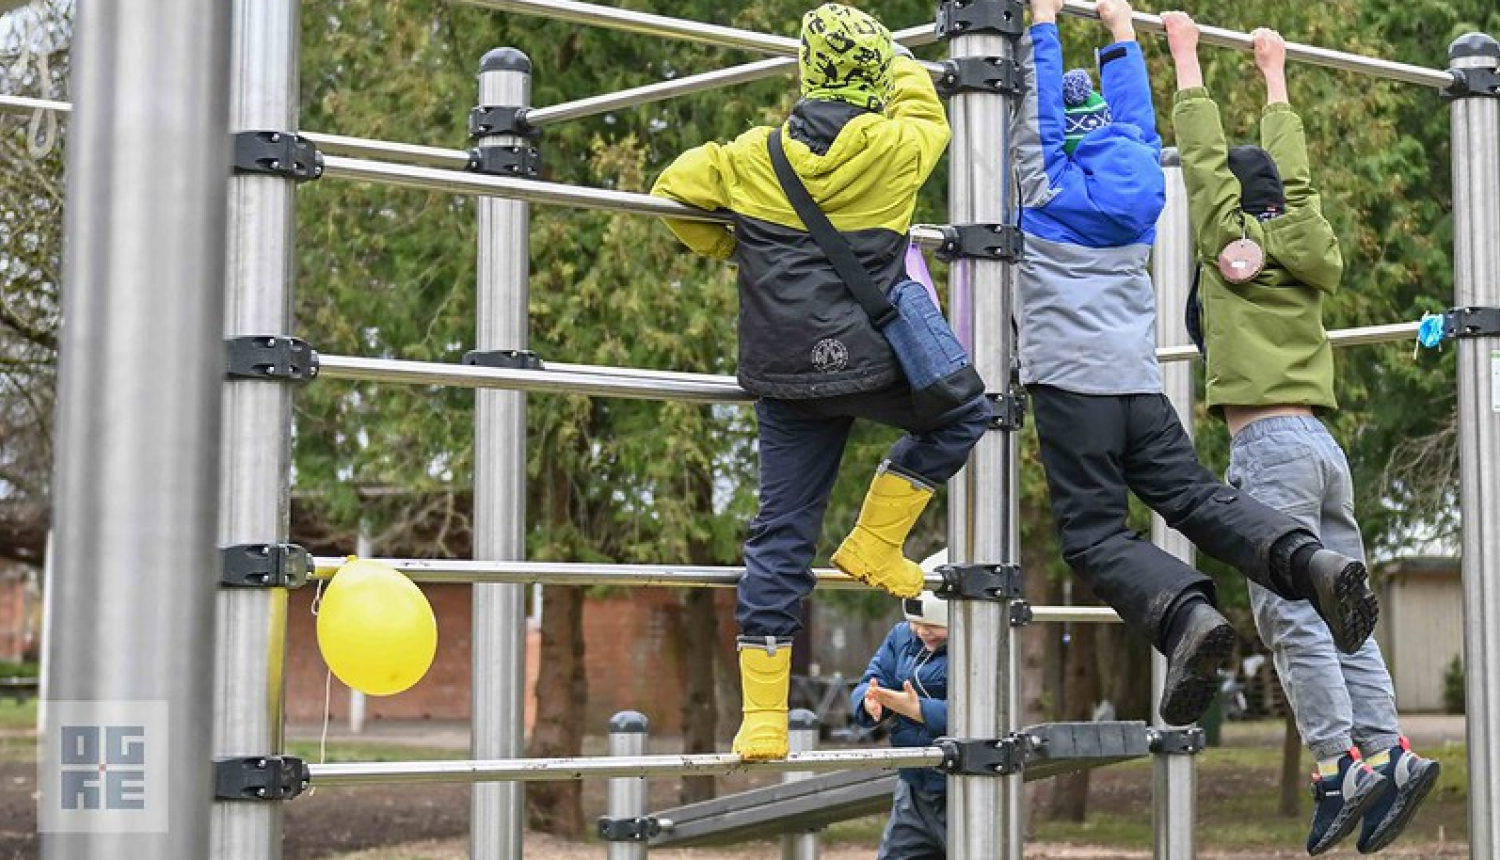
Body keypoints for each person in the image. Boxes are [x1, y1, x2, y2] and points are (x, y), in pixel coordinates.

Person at [1010, 0, 1379, 729]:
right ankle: (1312, 564)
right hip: (1139, 390)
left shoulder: (1046, 188)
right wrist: (1120, 33)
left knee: (1092, 533)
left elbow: (1037, 114)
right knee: (1197, 498)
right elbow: (1137, 125)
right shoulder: (1143, 186)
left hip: (1072, 388)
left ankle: (1185, 619)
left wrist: (1042, 21)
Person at [650, 3, 989, 761]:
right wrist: (891, 59)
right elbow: (920, 101)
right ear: (871, 79)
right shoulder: (902, 145)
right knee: (963, 414)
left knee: (780, 532)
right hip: (869, 363)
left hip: (784, 372)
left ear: (807, 76)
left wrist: (728, 245)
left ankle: (764, 720)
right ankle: (874, 540)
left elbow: (673, 192)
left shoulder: (748, 155)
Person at [1162, 13, 1440, 854]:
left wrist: (1186, 60)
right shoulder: (1307, 241)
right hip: (1324, 449)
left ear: (1235, 210)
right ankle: (1389, 751)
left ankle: (1336, 764)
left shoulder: (1227, 248)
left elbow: (1206, 171)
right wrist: (1275, 74)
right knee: (1341, 611)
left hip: (1270, 453)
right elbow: (1303, 180)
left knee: (1290, 617)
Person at [851, 588, 950, 860]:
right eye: (915, 622)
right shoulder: (902, 636)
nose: (921, 631)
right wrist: (870, 702)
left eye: (933, 626)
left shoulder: (976, 646)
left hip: (959, 785)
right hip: (914, 784)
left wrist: (920, 710)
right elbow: (876, 676)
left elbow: (983, 709)